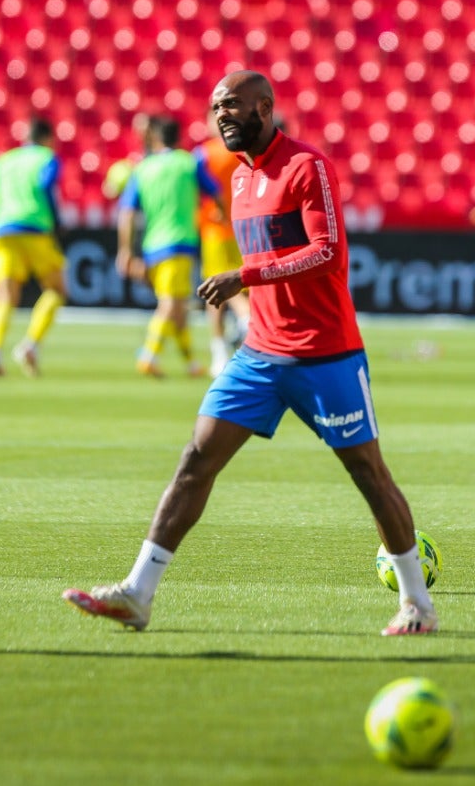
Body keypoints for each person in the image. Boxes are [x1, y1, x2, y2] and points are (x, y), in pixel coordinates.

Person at [66, 70, 438, 637]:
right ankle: (137, 594)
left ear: (265, 107)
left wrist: (245, 275)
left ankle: (417, 605)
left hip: (325, 354)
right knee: (196, 459)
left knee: (368, 473)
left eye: (233, 106)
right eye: (216, 107)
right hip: (260, 355)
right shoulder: (238, 179)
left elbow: (328, 251)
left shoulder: (306, 167)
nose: (222, 116)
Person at [116, 115, 220, 379]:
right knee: (171, 304)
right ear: (179, 138)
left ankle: (190, 363)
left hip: (152, 246)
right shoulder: (189, 163)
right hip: (180, 243)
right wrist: (221, 212)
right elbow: (215, 191)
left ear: (156, 138)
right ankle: (149, 354)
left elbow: (127, 213)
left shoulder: (142, 168)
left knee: (178, 306)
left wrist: (126, 250)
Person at [0, 117, 67, 377]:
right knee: (56, 290)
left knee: (5, 297)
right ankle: (30, 344)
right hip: (34, 228)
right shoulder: (47, 157)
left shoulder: (3, 160)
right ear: (47, 137)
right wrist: (56, 220)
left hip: (2, 230)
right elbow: (46, 187)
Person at [194, 107, 250, 376]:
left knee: (215, 290)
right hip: (243, 228)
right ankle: (246, 325)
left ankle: (221, 349)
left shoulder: (203, 154)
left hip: (215, 230)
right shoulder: (245, 152)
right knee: (244, 281)